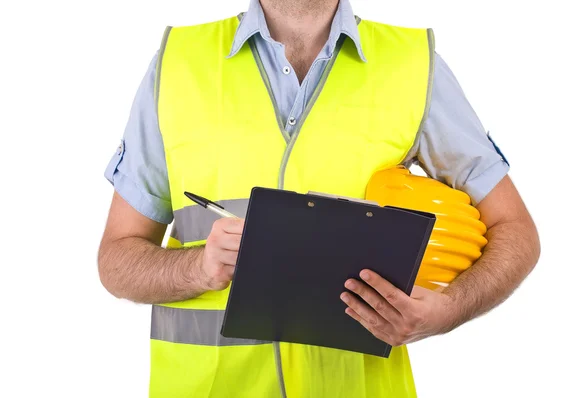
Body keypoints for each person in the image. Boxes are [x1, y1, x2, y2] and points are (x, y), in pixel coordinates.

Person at [98, 0, 541, 396]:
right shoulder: (179, 64)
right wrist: (198, 267)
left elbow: (515, 230)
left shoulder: (412, 65)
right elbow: (116, 261)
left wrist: (446, 310)